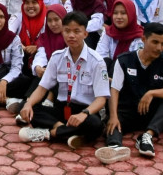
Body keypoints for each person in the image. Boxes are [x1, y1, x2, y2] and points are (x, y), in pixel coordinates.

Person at [17, 11, 110, 147]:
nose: (71, 35)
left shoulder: (97, 61)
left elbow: (101, 98)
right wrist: (28, 104)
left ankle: (48, 134)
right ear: (62, 32)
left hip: (84, 111)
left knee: (95, 125)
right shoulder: (57, 57)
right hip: (62, 109)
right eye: (67, 31)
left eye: (77, 31)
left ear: (85, 34)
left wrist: (83, 114)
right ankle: (66, 130)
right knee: (25, 106)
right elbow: (42, 88)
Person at [95, 22, 163, 163]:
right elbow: (115, 89)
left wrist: (152, 93)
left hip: (153, 113)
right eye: (155, 42)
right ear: (143, 39)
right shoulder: (124, 60)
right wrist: (113, 116)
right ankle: (115, 147)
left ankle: (147, 136)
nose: (159, 48)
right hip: (128, 111)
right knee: (113, 121)